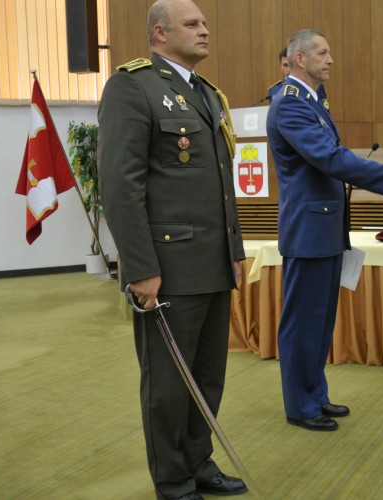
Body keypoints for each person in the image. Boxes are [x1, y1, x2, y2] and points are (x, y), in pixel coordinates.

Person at [97, 0, 248, 497]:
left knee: (207, 377)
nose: (205, 30)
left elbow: (220, 183)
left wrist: (234, 250)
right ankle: (174, 481)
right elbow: (121, 186)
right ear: (160, 33)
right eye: (192, 24)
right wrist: (139, 267)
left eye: (204, 23)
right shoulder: (132, 86)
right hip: (167, 267)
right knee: (168, 385)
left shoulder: (206, 93)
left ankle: (199, 464)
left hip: (212, 263)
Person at [266, 28, 383, 432]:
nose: (331, 59)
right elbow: (329, 158)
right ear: (299, 59)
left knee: (319, 322)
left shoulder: (313, 100)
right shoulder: (290, 102)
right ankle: (301, 406)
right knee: (302, 323)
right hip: (308, 231)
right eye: (322, 52)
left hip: (325, 228)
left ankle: (315, 395)